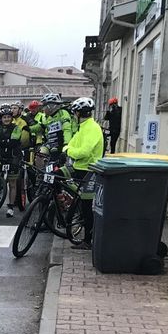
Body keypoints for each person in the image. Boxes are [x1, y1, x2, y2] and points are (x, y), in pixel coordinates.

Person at [64, 97, 104, 249]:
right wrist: (68, 149)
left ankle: (88, 240)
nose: (74, 115)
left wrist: (69, 151)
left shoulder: (92, 128)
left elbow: (83, 152)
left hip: (89, 171)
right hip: (79, 169)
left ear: (79, 113)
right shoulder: (83, 126)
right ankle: (74, 213)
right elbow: (71, 144)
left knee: (87, 206)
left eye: (74, 113)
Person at [0, 108, 29, 216]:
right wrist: (3, 142)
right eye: (4, 117)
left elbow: (13, 142)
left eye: (8, 117)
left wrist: (0, 142)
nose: (6, 119)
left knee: (12, 184)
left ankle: (10, 207)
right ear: (1, 119)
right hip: (1, 157)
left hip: (13, 158)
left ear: (11, 118)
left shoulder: (16, 128)